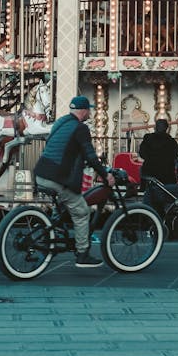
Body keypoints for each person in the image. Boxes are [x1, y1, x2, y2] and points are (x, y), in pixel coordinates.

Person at [33, 95, 113, 268]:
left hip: (41, 173)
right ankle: (83, 254)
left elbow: (63, 149)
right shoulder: (80, 128)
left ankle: (50, 235)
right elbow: (91, 156)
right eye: (89, 110)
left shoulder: (60, 122)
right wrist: (105, 174)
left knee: (62, 207)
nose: (90, 112)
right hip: (56, 177)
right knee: (82, 211)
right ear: (84, 111)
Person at [138, 118, 178, 192]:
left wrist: (150, 158)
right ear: (166, 128)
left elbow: (142, 153)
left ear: (155, 127)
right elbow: (176, 153)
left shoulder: (148, 138)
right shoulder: (171, 141)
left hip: (150, 172)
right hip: (167, 175)